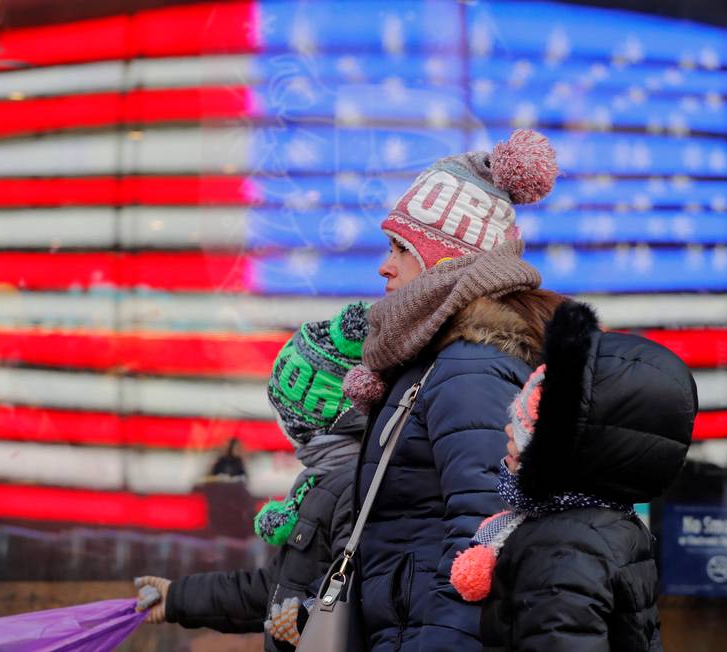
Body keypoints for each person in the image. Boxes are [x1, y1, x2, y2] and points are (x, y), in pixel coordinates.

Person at [339, 129, 564, 651]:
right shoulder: (439, 360)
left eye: (400, 247)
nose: (384, 265)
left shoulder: (470, 368)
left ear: (448, 262)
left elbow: (481, 542)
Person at [449, 301, 697, 651]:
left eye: (527, 424)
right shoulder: (609, 525)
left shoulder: (561, 546)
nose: (509, 429)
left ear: (561, 445)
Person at [135, 303, 370, 651]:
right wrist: (176, 598)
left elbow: (364, 599)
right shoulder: (324, 484)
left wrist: (307, 620)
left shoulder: (352, 487)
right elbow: (274, 590)